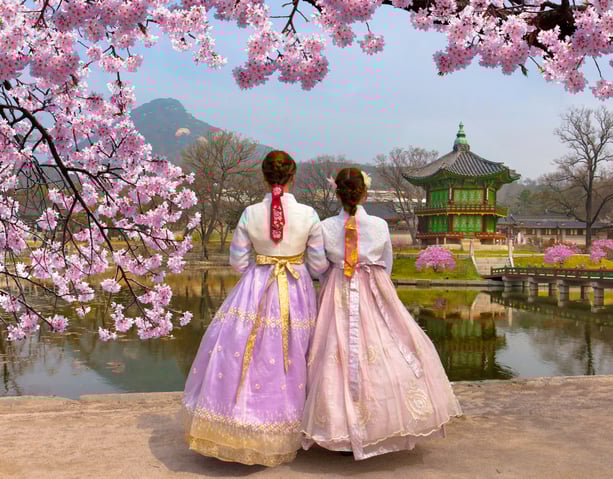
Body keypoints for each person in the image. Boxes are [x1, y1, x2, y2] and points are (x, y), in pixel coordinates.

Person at [301, 167, 462, 460]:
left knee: (332, 355)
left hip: (337, 289)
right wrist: (376, 285)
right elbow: (385, 264)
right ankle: (378, 425)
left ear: (337, 193)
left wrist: (334, 279)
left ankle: (340, 430)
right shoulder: (379, 225)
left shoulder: (324, 227)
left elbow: (318, 268)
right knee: (386, 349)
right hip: (375, 289)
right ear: (364, 193)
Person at [183, 150, 328, 466]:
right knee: (292, 356)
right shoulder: (309, 215)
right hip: (295, 291)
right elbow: (318, 265)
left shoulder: (249, 213)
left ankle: (240, 424)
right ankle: (288, 427)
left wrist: (263, 262)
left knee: (247, 356)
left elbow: (237, 262)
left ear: (264, 177)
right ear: (293, 177)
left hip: (256, 289)